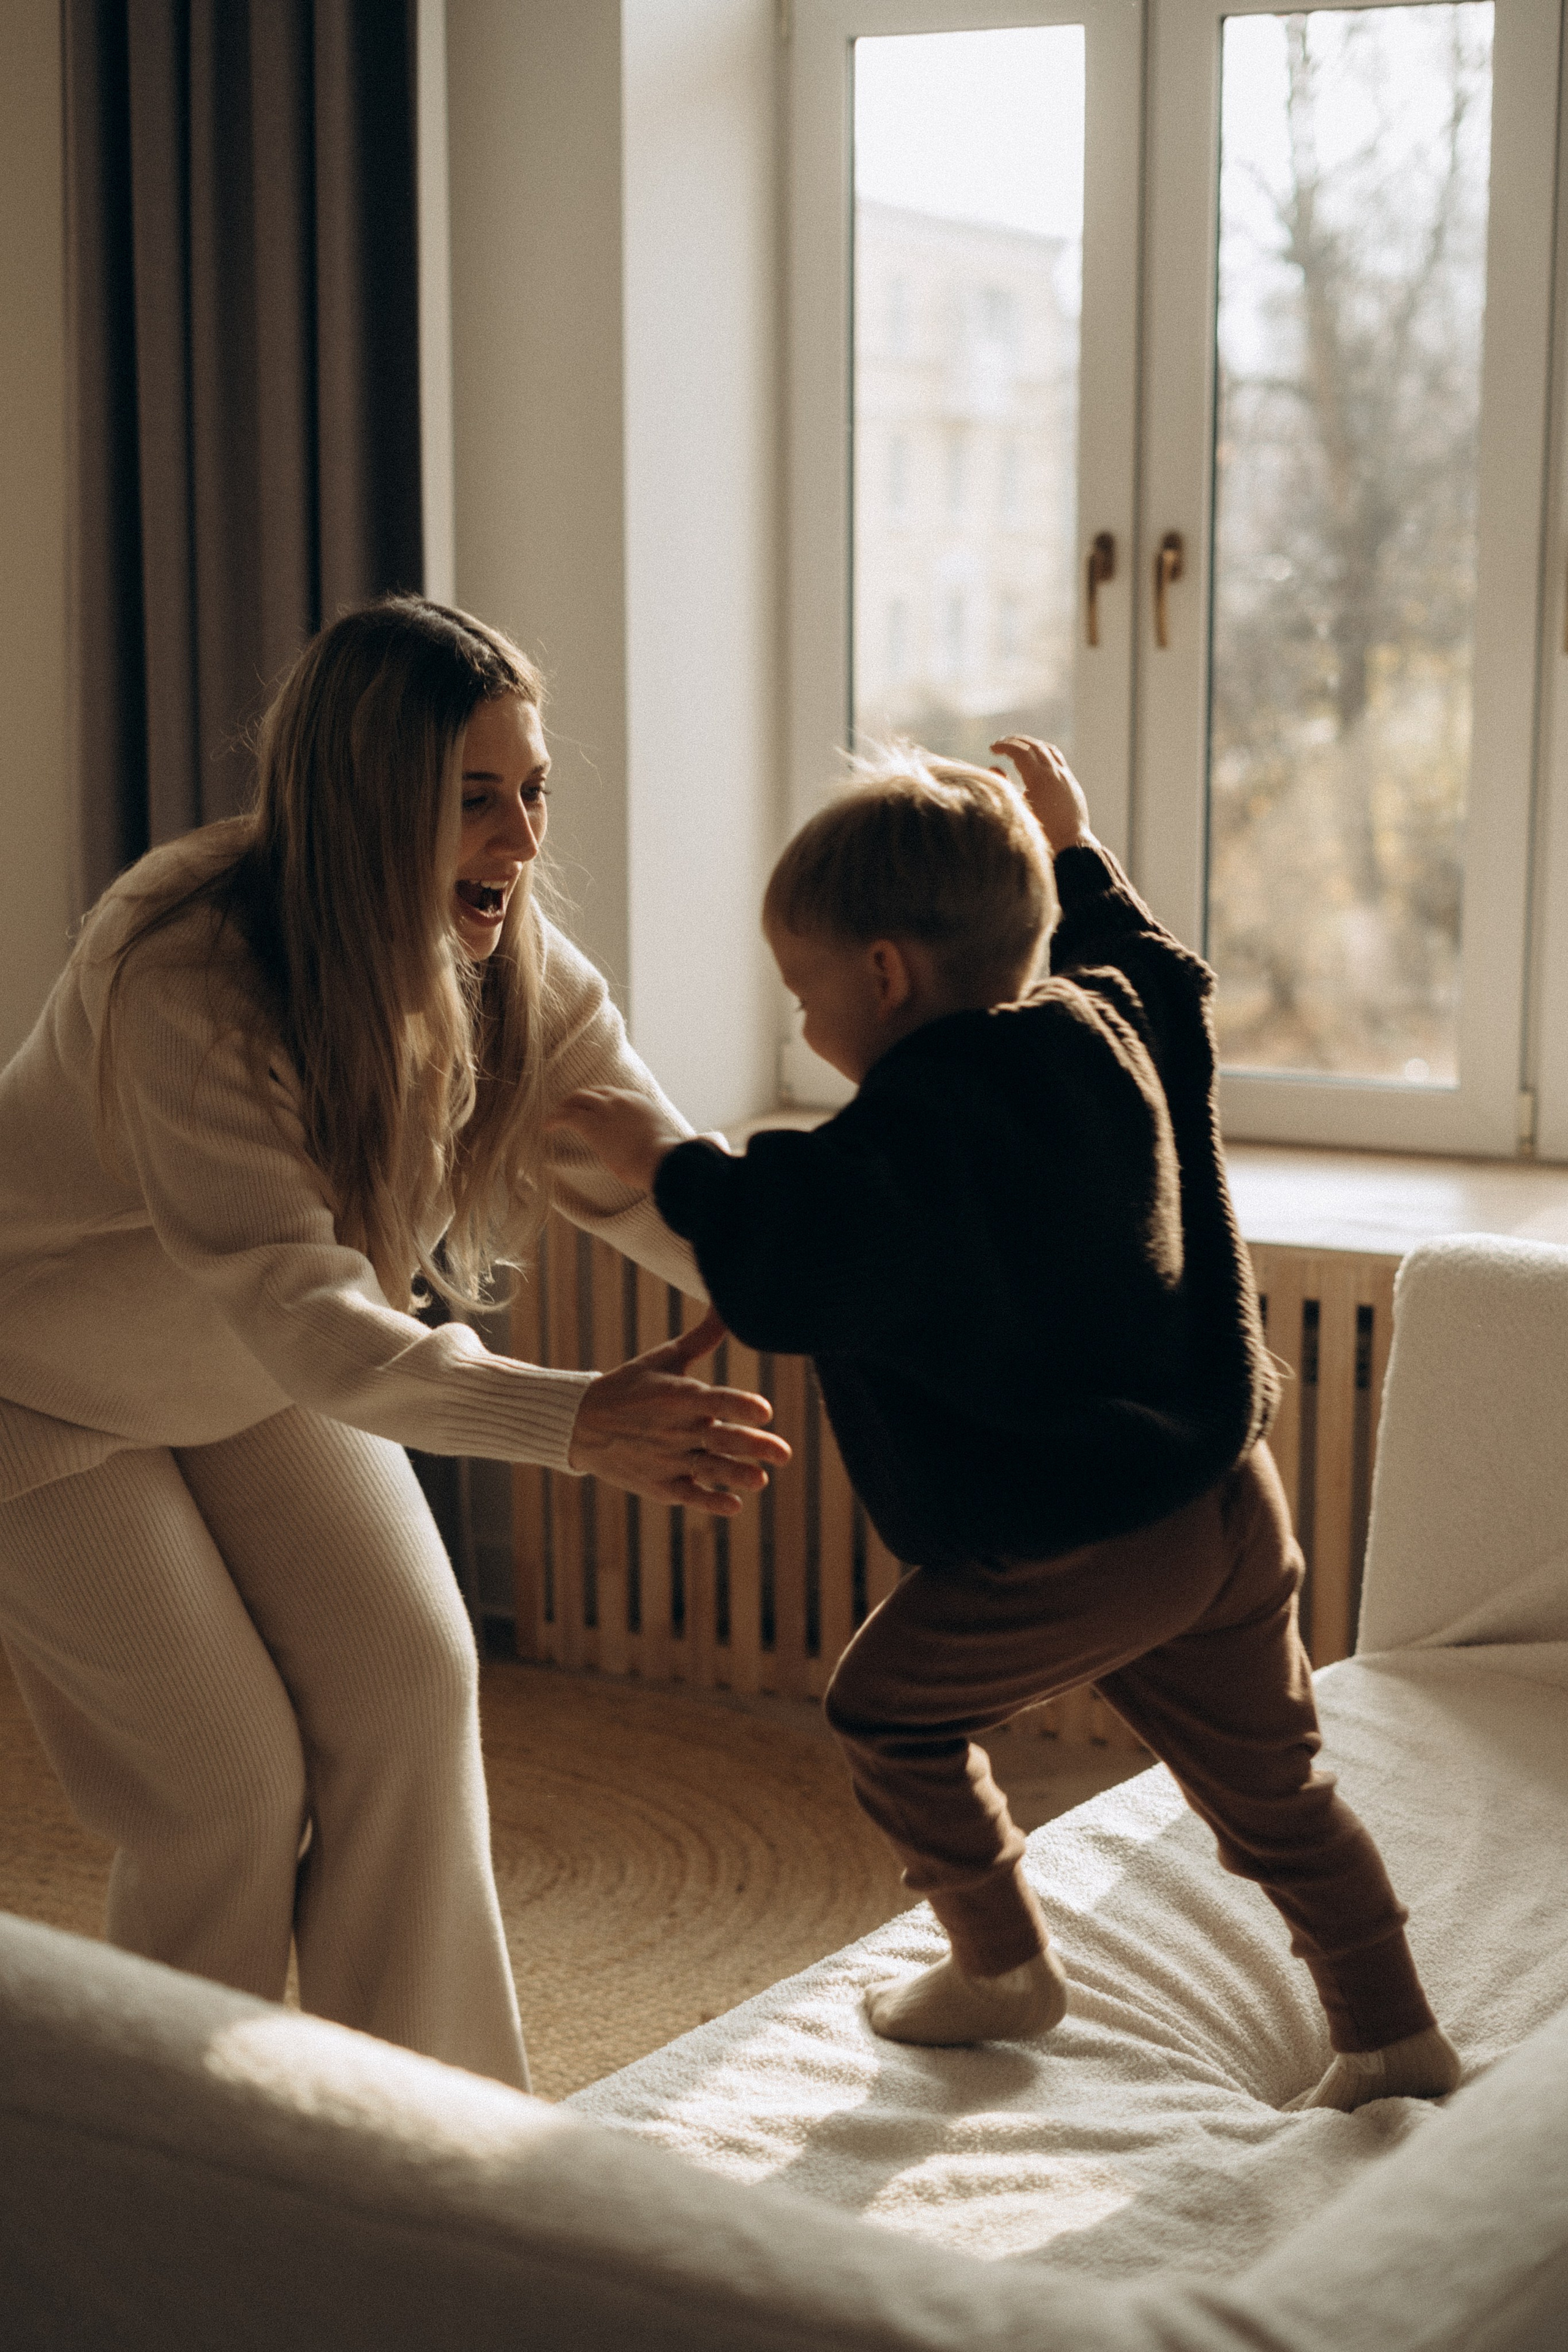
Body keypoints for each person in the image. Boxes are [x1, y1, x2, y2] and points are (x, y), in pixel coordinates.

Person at [552, 736, 1460, 2113]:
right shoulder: (1100, 1026)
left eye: (802, 993)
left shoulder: (909, 1140)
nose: (801, 1025)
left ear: (881, 974)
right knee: (1274, 1795)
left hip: (1073, 1544)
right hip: (1221, 1498)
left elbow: (798, 1260)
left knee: (886, 1712)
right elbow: (1166, 979)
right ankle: (1393, 2034)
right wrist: (1076, 851)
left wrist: (662, 1165)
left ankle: (1000, 1964)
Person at [0, 595, 788, 2091]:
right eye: (476, 799)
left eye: (533, 791)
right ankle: (176, 2178)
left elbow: (648, 1168)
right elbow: (308, 1314)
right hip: (34, 1389)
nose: (521, 837)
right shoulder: (185, 968)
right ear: (373, 803)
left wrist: (848, 1282)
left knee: (412, 1690)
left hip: (248, 1374)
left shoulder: (510, 967)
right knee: (225, 1792)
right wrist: (573, 1420)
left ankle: (428, 2152)